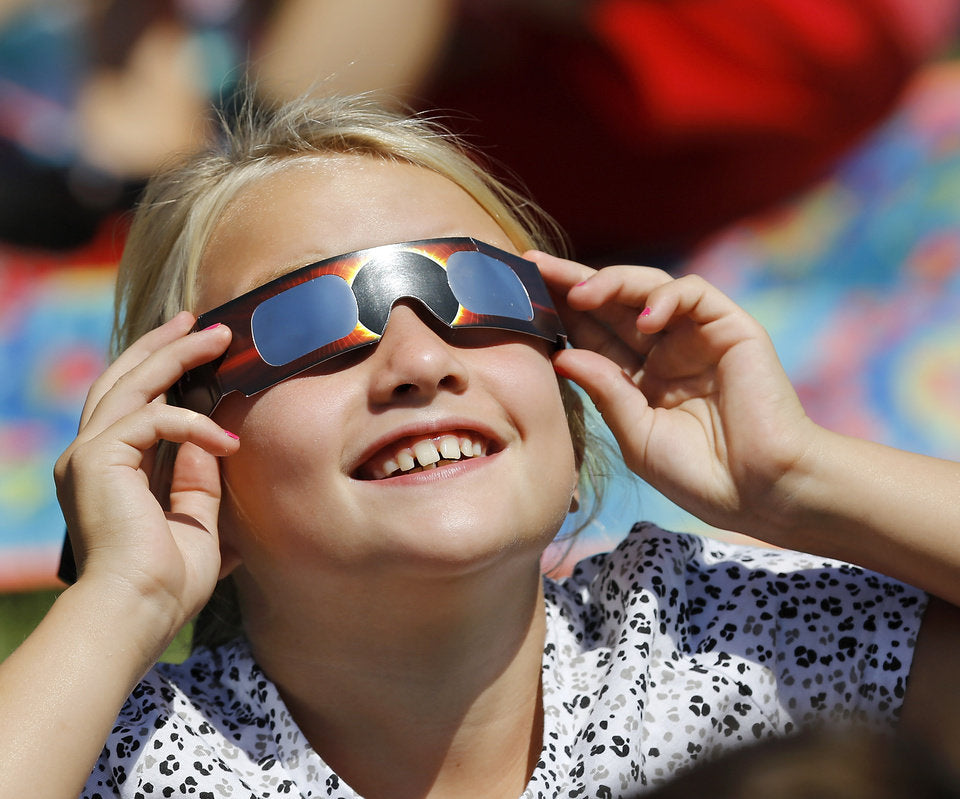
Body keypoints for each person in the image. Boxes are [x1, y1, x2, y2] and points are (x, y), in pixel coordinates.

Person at [1, 91, 959, 798]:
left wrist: (796, 476)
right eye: (306, 327)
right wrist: (122, 597)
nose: (420, 361)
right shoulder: (123, 756)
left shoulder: (725, 647)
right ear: (183, 443)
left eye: (483, 294)